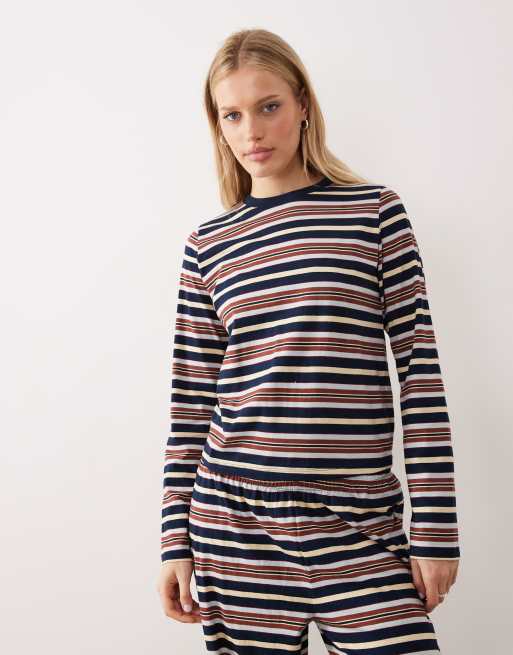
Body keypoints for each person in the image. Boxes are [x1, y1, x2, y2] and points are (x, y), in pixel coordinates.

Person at [157, 28, 460, 654]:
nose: (251, 131)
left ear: (302, 104)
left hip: (359, 522)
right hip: (235, 526)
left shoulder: (374, 214)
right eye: (232, 115)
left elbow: (420, 377)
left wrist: (435, 529)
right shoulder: (208, 246)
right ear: (217, 125)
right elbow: (190, 404)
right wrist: (173, 541)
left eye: (268, 106)